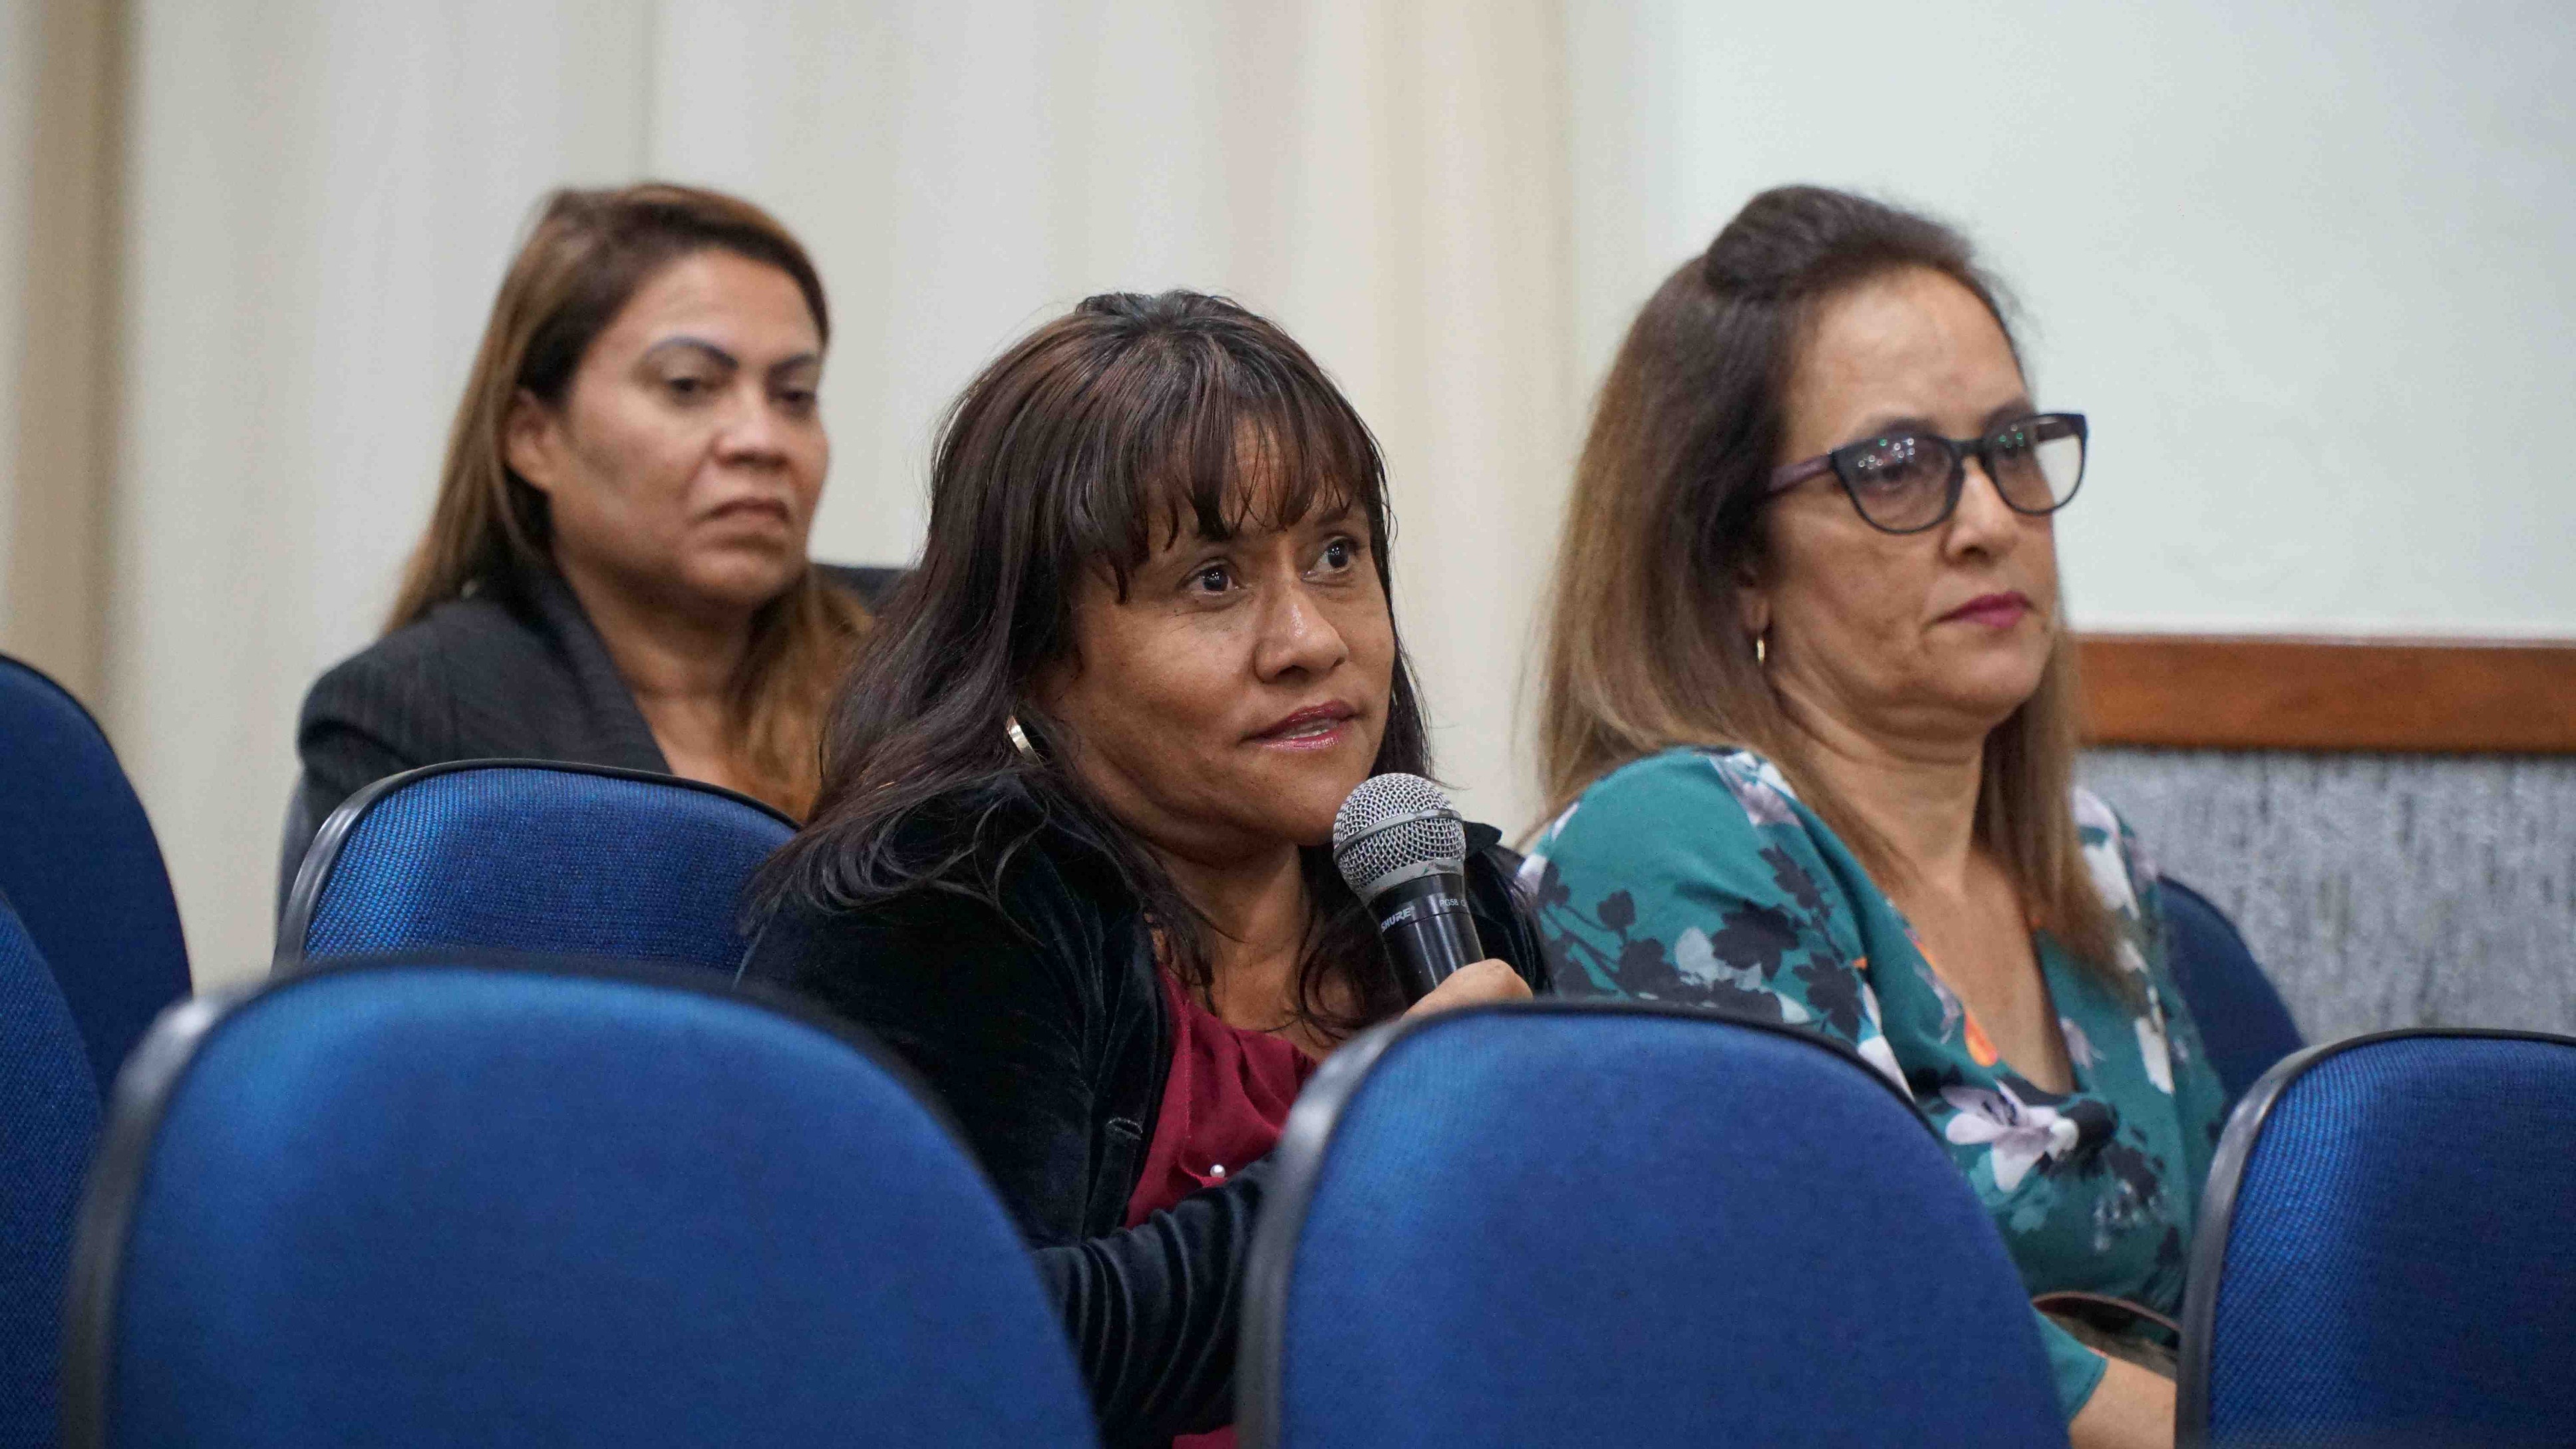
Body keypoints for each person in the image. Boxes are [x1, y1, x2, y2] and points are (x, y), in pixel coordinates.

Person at [744, 290, 1542, 1447]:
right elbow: (951, 1356)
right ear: (1034, 656)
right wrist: (1386, 1154)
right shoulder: (939, 905)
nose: (1310, 639)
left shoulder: (1457, 909)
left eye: (1336, 555)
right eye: (1212, 580)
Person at [1523, 186, 2221, 1448]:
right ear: (1736, 558)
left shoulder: (2096, 861)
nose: (1990, 522)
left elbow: (2258, 1273)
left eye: (2013, 447)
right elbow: (1851, 1308)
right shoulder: (1672, 842)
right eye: (1895, 467)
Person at [289, 183, 868, 873]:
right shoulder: (421, 715)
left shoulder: (922, 657)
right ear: (533, 437)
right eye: (688, 385)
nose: (762, 440)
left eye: (795, 396)